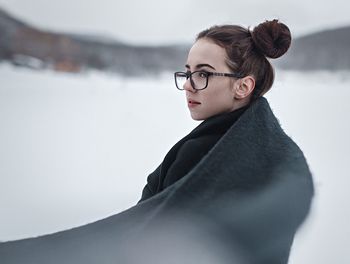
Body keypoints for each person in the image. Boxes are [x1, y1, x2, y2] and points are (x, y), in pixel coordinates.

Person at [0, 19, 314, 264]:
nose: (189, 85)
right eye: (187, 72)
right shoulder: (261, 143)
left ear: (243, 87)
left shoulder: (205, 153)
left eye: (203, 74)